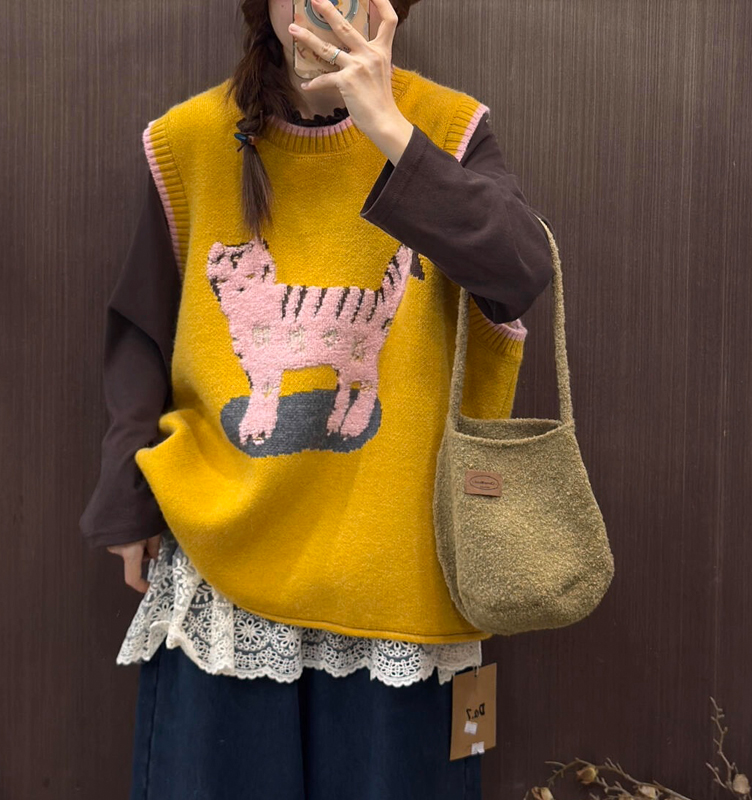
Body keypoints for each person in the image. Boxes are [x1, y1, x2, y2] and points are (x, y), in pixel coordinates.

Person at [79, 0, 555, 797]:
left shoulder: (449, 128)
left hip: (400, 577)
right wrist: (129, 498)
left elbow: (520, 272)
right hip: (226, 569)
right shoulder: (188, 141)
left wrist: (389, 130)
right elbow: (143, 333)